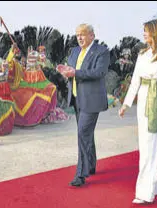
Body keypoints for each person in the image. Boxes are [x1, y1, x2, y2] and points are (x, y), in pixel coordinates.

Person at [118, 19, 157, 204]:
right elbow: (136, 80)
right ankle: (152, 185)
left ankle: (145, 192)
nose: (144, 34)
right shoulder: (142, 54)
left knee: (153, 143)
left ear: (156, 32)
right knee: (146, 143)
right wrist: (126, 104)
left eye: (146, 31)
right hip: (145, 97)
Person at [58, 23, 110, 186]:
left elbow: (99, 72)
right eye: (77, 34)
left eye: (83, 34)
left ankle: (81, 174)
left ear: (92, 36)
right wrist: (66, 71)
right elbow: (72, 70)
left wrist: (75, 73)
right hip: (76, 98)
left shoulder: (101, 51)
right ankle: (92, 165)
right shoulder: (74, 51)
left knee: (82, 133)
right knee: (86, 134)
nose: (79, 37)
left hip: (92, 100)